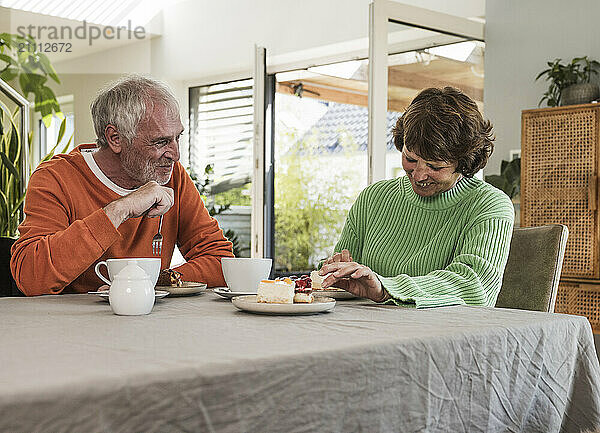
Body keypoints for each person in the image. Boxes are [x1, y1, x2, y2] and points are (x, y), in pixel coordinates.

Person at [11, 75, 234, 296]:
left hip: (148, 320)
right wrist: (120, 209)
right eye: (161, 141)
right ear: (115, 138)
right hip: (71, 325)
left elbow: (220, 260)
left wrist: (148, 284)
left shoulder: (173, 176)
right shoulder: (56, 177)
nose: (176, 154)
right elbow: (31, 277)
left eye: (178, 138)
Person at [319, 87, 514, 308]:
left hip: (444, 337)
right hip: (367, 333)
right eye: (410, 159)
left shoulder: (489, 205)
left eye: (435, 166)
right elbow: (342, 273)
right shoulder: (373, 198)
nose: (420, 175)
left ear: (464, 162)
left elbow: (474, 287)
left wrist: (385, 289)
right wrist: (335, 271)